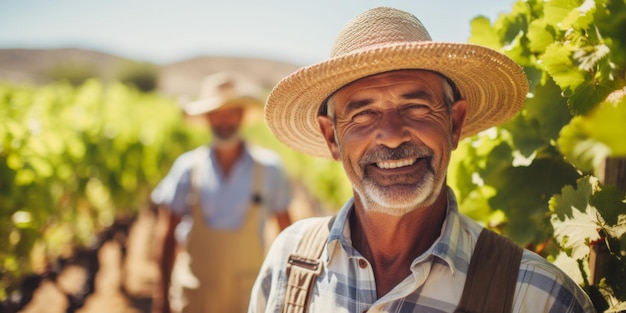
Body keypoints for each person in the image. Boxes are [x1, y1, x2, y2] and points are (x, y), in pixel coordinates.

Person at [249, 7, 596, 313]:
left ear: (454, 123)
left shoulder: (540, 299)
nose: (393, 134)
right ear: (332, 138)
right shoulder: (289, 262)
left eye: (416, 107)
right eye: (363, 114)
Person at [150, 71, 292, 313]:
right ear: (207, 119)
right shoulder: (187, 168)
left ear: (242, 116)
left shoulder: (269, 169)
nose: (224, 121)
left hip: (250, 296)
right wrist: (161, 296)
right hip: (195, 294)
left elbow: (288, 234)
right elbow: (167, 232)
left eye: (231, 113)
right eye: (217, 114)